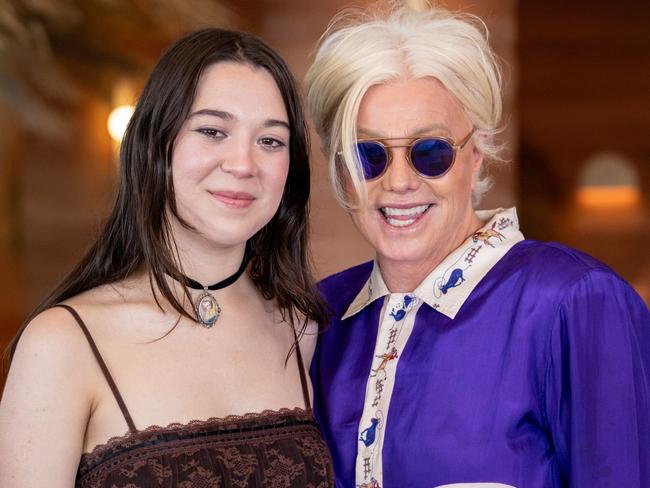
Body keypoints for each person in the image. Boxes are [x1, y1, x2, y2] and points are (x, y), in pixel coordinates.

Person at [305, 4, 650, 488]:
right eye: (369, 155)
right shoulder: (318, 319)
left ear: (477, 151)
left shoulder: (574, 301)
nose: (399, 183)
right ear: (338, 167)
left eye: (431, 152)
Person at [0, 28, 334, 487]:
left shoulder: (303, 328)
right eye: (212, 131)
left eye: (271, 141)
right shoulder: (63, 342)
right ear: (155, 143)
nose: (243, 164)